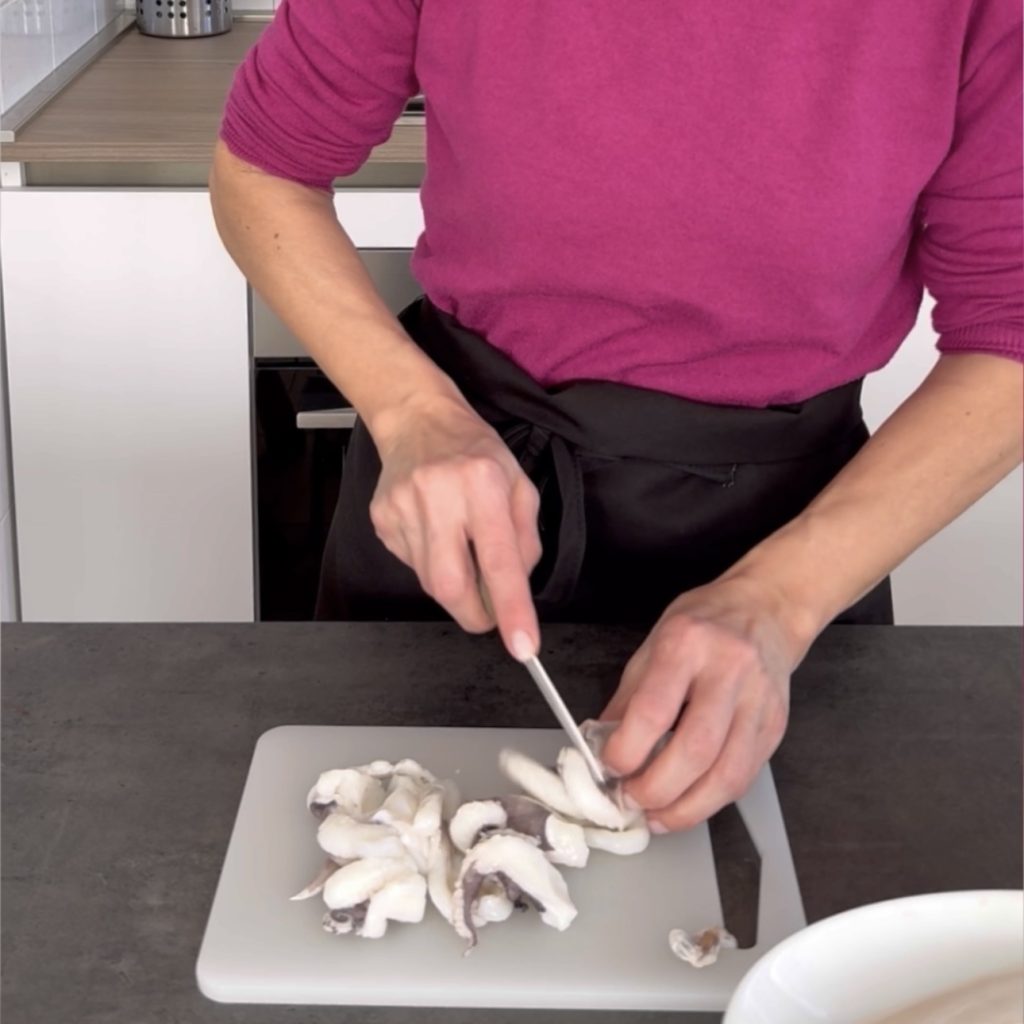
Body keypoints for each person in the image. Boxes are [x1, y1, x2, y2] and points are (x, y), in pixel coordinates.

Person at [210, 2, 1023, 833]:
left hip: (795, 542)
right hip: (457, 488)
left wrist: (780, 602)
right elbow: (263, 169)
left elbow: (1011, 332)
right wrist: (411, 412)